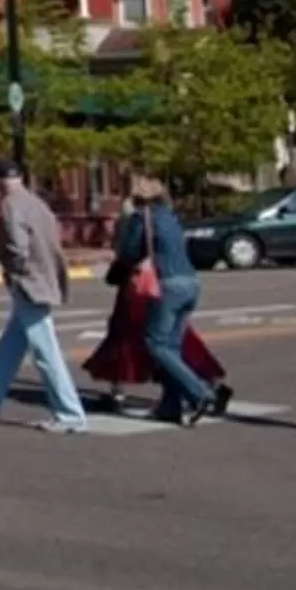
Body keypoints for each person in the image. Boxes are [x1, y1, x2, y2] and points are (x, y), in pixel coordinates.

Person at [0, 159, 89, 433]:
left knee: (46, 351)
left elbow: (17, 247)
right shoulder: (37, 204)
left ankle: (70, 414)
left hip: (28, 283)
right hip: (44, 279)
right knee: (11, 347)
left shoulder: (10, 205)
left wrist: (12, 271)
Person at [105, 173, 231, 427]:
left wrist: (117, 270)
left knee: (156, 345)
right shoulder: (171, 217)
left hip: (167, 285)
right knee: (172, 348)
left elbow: (129, 253)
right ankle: (170, 406)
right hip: (190, 283)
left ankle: (201, 394)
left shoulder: (142, 218)